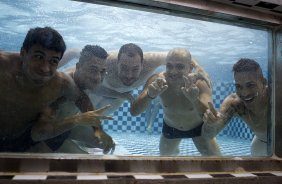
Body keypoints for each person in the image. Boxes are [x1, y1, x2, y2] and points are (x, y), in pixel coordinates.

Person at [0, 27, 109, 152]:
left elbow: (82, 99)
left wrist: (98, 129)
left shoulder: (61, 83)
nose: (45, 68)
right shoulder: (3, 66)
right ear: (23, 53)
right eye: (39, 57)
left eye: (53, 61)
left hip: (23, 140)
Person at [130, 48, 221, 156]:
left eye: (180, 66)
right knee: (165, 163)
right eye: (169, 66)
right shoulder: (157, 81)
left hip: (199, 128)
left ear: (190, 68)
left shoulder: (200, 83)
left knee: (216, 160)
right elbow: (134, 111)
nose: (173, 71)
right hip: (171, 128)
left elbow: (209, 116)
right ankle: (175, 151)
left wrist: (194, 100)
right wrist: (149, 95)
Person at [59, 43, 168, 115]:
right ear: (117, 63)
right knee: (79, 115)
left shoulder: (152, 62)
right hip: (96, 91)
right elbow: (73, 52)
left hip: (117, 98)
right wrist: (50, 70)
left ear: (142, 65)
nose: (129, 75)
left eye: (135, 69)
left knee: (96, 120)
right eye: (124, 68)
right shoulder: (107, 60)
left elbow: (178, 58)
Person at [54, 45, 115, 154]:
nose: (98, 77)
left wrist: (99, 130)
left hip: (68, 127)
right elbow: (40, 130)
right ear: (78, 66)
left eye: (102, 71)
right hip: (50, 135)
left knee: (105, 143)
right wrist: (78, 120)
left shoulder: (86, 83)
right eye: (93, 70)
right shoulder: (60, 86)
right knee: (89, 162)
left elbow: (85, 102)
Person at [202, 58, 269, 156]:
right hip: (261, 142)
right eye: (239, 86)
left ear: (264, 83)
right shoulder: (235, 103)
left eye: (250, 85)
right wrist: (210, 124)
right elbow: (207, 136)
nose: (245, 93)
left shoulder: (275, 98)